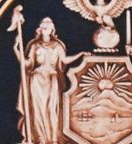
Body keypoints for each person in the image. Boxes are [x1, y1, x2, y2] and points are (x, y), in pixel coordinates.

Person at [14, 16, 82, 144]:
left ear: (52, 29)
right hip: (37, 79)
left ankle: (54, 139)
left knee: (52, 109)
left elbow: (65, 60)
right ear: (40, 29)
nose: (45, 29)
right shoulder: (34, 46)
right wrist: (17, 49)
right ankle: (39, 139)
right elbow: (27, 64)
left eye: (48, 26)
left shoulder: (57, 45)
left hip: (52, 79)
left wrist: (81, 55)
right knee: (38, 110)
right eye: (43, 26)